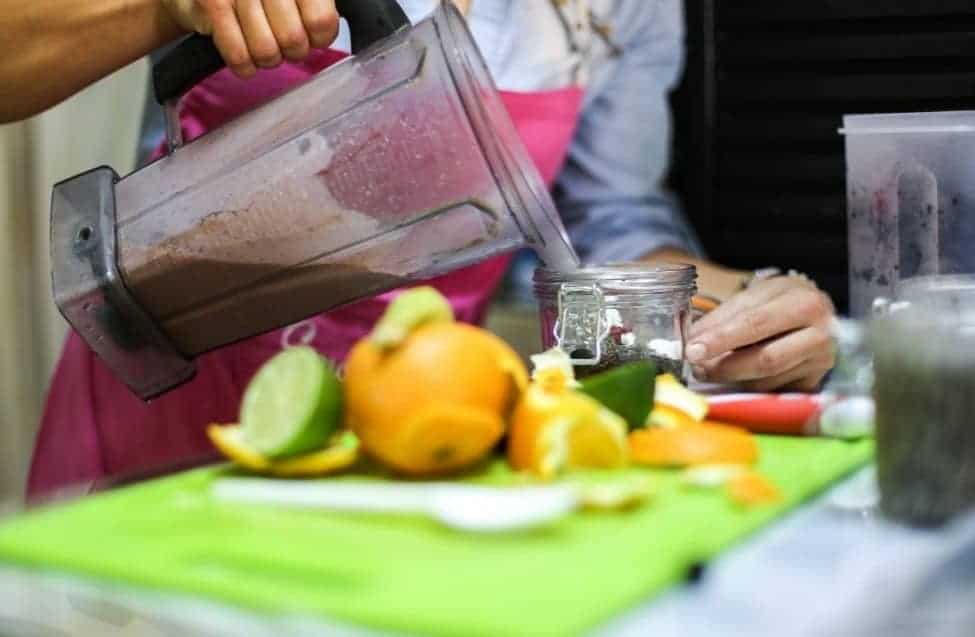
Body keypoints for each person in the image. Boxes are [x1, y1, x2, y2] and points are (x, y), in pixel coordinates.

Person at [18, 0, 835, 498]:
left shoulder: (618, 5)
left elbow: (608, 219)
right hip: (165, 422)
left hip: (418, 446)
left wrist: (738, 308)